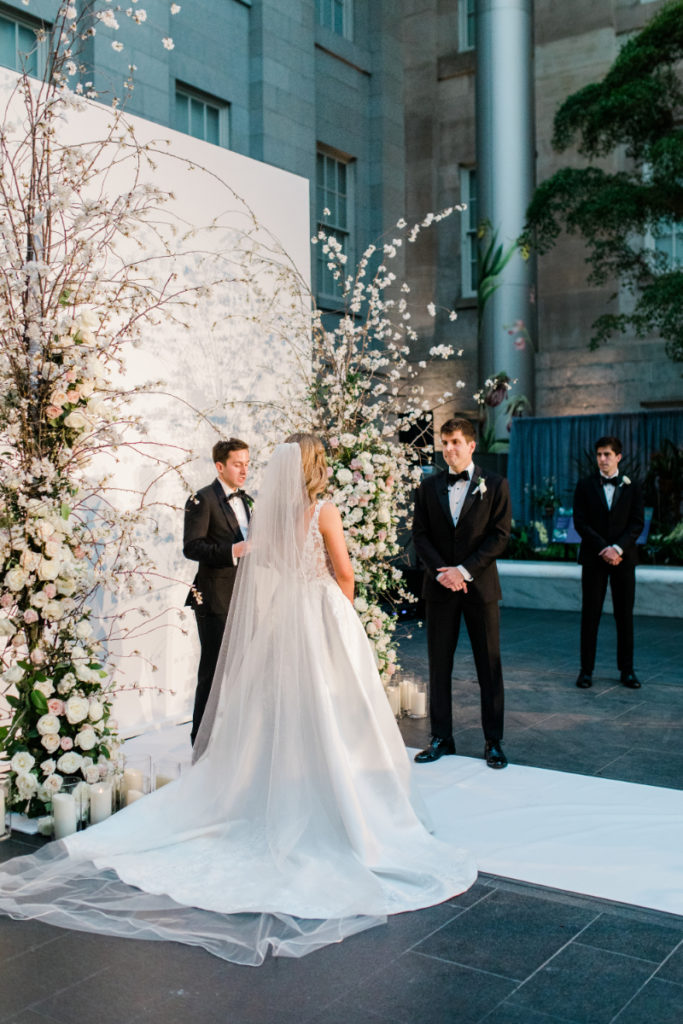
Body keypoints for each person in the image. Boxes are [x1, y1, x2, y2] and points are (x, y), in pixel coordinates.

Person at [0, 435, 476, 965]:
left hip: (285, 620)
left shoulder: (271, 515)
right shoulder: (323, 509)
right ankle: (345, 805)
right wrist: (343, 619)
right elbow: (345, 572)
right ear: (318, 466)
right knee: (338, 711)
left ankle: (276, 793)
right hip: (321, 615)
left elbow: (267, 570)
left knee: (280, 715)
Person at [412, 417, 511, 769]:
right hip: (440, 589)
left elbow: (500, 536)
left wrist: (464, 571)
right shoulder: (428, 488)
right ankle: (442, 737)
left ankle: (493, 741)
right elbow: (420, 536)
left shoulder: (496, 485)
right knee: (439, 665)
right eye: (445, 442)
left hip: (480, 588)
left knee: (489, 665)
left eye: (455, 442)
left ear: (471, 445)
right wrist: (444, 573)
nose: (449, 449)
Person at [183, 438, 251, 744]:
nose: (244, 470)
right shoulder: (202, 499)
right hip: (214, 599)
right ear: (219, 466)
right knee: (213, 672)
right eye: (238, 464)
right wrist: (232, 550)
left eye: (247, 463)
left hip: (243, 596)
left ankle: (231, 738)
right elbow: (192, 547)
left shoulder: (246, 500)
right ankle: (201, 740)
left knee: (242, 670)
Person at [573, 435, 645, 690]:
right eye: (599, 454)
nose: (602, 459)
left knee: (624, 616)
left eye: (607, 454)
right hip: (594, 559)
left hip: (623, 561)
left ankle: (627, 670)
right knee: (590, 616)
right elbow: (580, 522)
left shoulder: (632, 486)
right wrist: (603, 548)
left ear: (618, 457)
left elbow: (637, 523)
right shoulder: (585, 485)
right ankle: (586, 671)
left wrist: (617, 548)